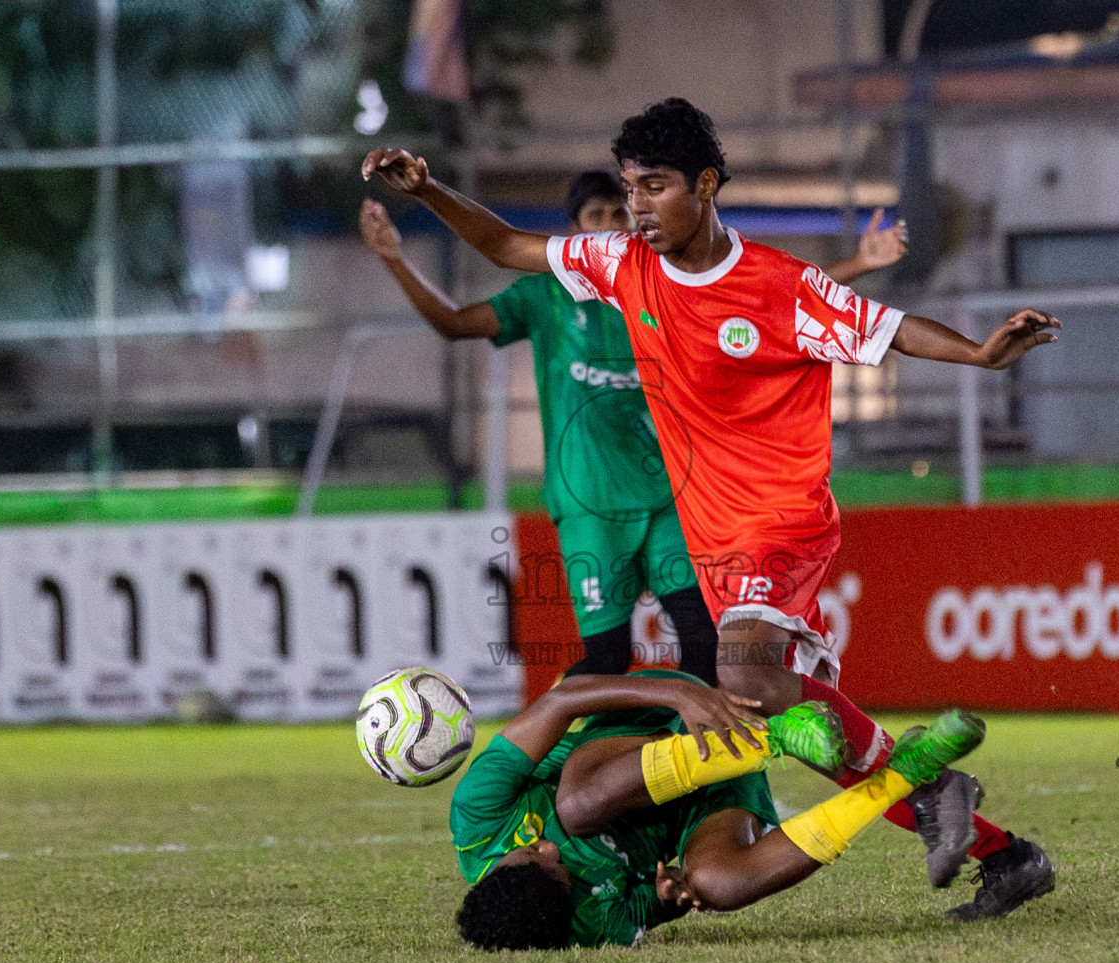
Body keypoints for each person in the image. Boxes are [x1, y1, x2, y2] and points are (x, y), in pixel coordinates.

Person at [363, 98, 1058, 920]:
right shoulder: (623, 264)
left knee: (739, 674)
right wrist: (432, 192)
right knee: (771, 694)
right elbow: (510, 245)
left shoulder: (779, 285)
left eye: (655, 187)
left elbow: (891, 330)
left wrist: (979, 354)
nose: (639, 208)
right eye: (630, 191)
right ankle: (999, 850)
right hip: (712, 536)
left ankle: (934, 787)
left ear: (707, 182)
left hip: (783, 516)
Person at [358, 171, 907, 684]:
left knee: (705, 642)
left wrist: (857, 264)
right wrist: (394, 259)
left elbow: (768, 299)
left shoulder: (657, 283)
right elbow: (454, 324)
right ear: (575, 230)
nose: (611, 226)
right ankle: (553, 763)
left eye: (619, 214)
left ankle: (683, 771)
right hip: (591, 505)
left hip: (671, 498)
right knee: (607, 659)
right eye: (596, 216)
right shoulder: (543, 296)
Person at [450, 666, 985, 949]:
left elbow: (560, 701)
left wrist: (675, 696)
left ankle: (780, 735)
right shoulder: (587, 927)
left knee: (576, 806)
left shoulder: (477, 818)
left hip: (673, 723)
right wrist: (672, 895)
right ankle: (905, 774)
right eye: (558, 866)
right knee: (719, 885)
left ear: (497, 866)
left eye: (533, 851)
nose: (548, 848)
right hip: (706, 804)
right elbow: (659, 901)